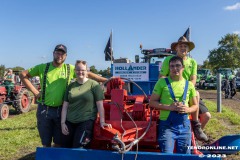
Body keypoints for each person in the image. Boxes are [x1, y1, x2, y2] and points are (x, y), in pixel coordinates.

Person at [20, 44, 107, 147]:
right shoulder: (43, 67)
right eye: (58, 53)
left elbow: (87, 73)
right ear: (53, 53)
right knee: (45, 141)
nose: (60, 55)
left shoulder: (69, 68)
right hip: (44, 110)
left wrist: (105, 80)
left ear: (66, 56)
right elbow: (23, 74)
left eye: (62, 53)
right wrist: (35, 92)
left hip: (61, 111)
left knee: (60, 141)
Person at [159, 36, 209, 141]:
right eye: (180, 46)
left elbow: (193, 79)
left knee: (207, 116)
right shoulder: (168, 60)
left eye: (185, 46)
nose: (183, 48)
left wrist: (185, 90)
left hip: (188, 91)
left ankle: (196, 127)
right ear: (176, 48)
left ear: (188, 49)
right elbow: (162, 76)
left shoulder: (192, 62)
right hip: (172, 90)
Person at [150, 56, 198, 154]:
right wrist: (169, 107)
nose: (175, 68)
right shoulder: (161, 82)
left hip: (184, 126)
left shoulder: (189, 85)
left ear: (183, 67)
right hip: (167, 127)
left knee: (185, 156)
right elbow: (152, 102)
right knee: (167, 155)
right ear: (169, 68)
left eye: (177, 66)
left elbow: (195, 106)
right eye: (172, 66)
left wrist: (188, 109)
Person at [61, 60, 112, 148]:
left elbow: (100, 105)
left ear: (87, 71)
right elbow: (65, 106)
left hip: (85, 121)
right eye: (78, 70)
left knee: (78, 146)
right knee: (65, 146)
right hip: (70, 121)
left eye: (83, 70)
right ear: (75, 71)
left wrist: (102, 121)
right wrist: (62, 123)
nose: (80, 72)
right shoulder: (71, 86)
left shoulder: (94, 85)